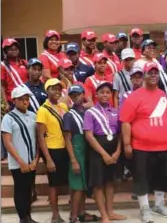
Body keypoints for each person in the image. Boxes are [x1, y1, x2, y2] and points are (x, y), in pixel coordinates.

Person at [120, 62, 167, 222]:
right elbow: (125, 122)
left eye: (155, 73)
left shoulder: (163, 95)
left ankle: (159, 205)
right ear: (144, 75)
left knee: (162, 177)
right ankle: (144, 208)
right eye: (150, 73)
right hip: (142, 147)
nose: (153, 75)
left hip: (164, 145)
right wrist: (127, 144)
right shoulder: (135, 97)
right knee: (142, 178)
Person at [83, 82, 126, 223]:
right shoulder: (90, 112)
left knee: (110, 182)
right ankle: (104, 215)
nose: (105, 95)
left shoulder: (115, 111)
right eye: (102, 92)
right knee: (98, 183)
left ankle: (110, 212)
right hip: (98, 152)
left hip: (114, 151)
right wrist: (104, 154)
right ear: (96, 95)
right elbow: (89, 136)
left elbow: (120, 134)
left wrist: (118, 151)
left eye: (108, 92)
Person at [1, 86, 39, 223]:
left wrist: (36, 159)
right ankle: (22, 218)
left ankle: (29, 216)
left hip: (31, 162)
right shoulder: (8, 118)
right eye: (21, 99)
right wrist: (21, 161)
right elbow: (7, 142)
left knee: (29, 190)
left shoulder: (33, 115)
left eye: (27, 99)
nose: (25, 102)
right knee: (20, 190)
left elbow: (37, 139)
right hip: (18, 163)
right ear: (14, 101)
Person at [64, 85, 100, 223]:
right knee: (77, 186)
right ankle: (74, 216)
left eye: (78, 94)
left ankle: (82, 213)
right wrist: (73, 159)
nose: (75, 97)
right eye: (72, 95)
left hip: (87, 150)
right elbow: (67, 139)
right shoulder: (69, 115)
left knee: (83, 184)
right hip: (77, 150)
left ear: (83, 94)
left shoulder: (87, 112)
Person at [36, 78, 69, 223]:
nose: (57, 91)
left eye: (58, 89)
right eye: (53, 88)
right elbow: (41, 137)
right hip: (52, 149)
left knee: (67, 182)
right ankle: (55, 215)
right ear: (47, 90)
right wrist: (48, 159)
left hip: (65, 148)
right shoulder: (43, 110)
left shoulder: (63, 106)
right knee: (54, 184)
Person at [1, 38, 28, 109]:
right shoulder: (3, 65)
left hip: (27, 98)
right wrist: (6, 103)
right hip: (13, 100)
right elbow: (2, 86)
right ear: (5, 51)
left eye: (16, 49)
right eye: (11, 49)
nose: (14, 51)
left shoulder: (24, 62)